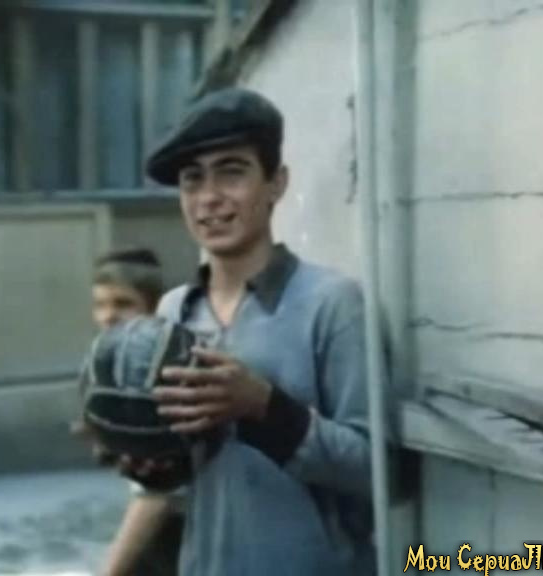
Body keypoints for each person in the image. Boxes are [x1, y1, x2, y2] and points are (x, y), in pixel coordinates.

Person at [121, 88, 375, 575]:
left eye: (232, 171)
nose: (209, 197)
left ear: (277, 183)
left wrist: (264, 407)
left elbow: (379, 471)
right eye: (192, 179)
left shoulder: (331, 302)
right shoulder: (175, 310)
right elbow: (188, 475)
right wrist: (150, 461)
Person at [75, 247, 184, 576]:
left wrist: (110, 570)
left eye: (123, 304)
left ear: (153, 307)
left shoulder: (161, 374)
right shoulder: (112, 364)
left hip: (183, 534)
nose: (108, 316)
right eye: (100, 304)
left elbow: (158, 495)